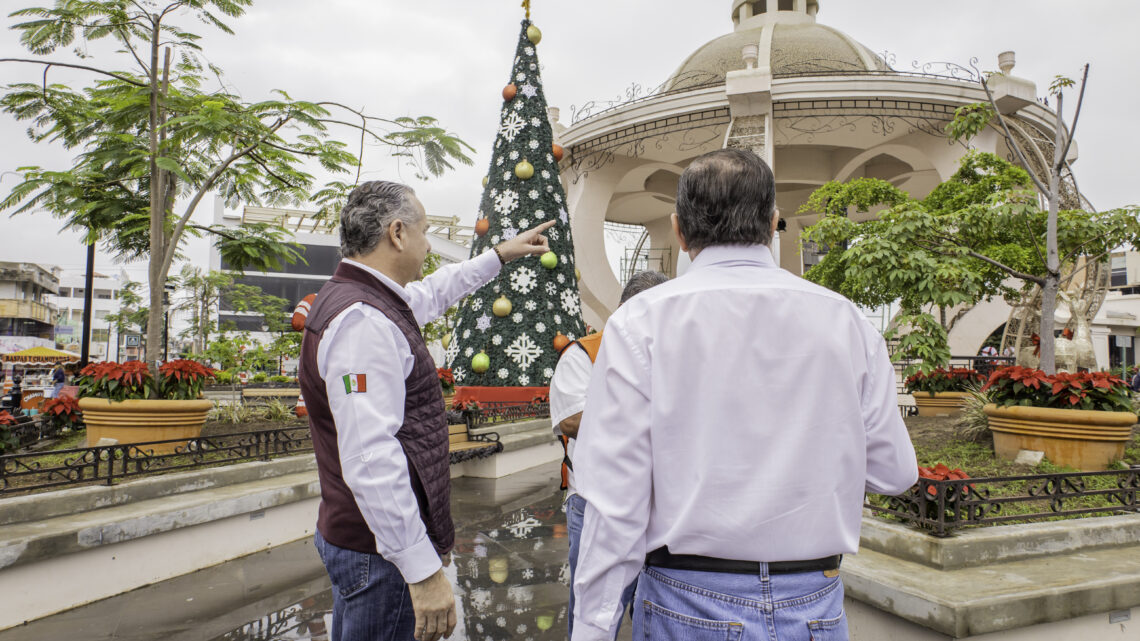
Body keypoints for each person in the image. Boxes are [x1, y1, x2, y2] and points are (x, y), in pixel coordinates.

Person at [570, 149, 918, 641]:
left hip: (687, 603)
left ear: (679, 231)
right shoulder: (847, 321)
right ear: (774, 222)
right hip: (814, 604)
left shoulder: (641, 323)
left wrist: (592, 629)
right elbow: (895, 473)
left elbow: (615, 503)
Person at [298, 180, 555, 641]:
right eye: (425, 229)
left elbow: (436, 292)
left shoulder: (373, 300)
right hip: (380, 560)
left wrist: (500, 254)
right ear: (397, 233)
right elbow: (371, 459)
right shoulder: (363, 322)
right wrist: (421, 571)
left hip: (370, 549)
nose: (428, 242)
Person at [550, 270, 668, 639]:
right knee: (594, 613)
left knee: (654, 609)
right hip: (595, 503)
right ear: (622, 312)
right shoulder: (584, 352)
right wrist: (644, 410)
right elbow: (570, 420)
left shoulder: (670, 350)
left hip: (661, 504)